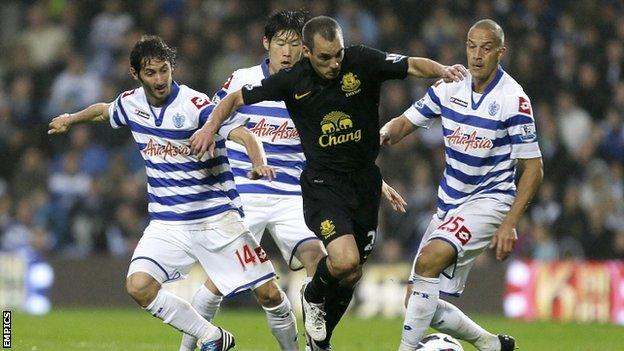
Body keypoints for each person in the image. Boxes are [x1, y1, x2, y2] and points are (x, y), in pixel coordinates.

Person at [189, 16, 466, 350]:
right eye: (324, 57)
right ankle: (309, 299)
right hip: (295, 188)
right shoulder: (280, 81)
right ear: (305, 52)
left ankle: (318, 340)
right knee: (325, 263)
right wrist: (213, 131)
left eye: (338, 54)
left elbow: (409, 65)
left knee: (348, 272)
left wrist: (443, 70)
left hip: (344, 185)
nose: (335, 63)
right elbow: (228, 104)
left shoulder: (361, 61)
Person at [48, 35, 295, 351]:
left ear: (171, 68)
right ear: (136, 74)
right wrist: (70, 119)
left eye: (164, 70)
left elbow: (245, 134)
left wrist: (258, 162)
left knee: (270, 294)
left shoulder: (195, 106)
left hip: (217, 220)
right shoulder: (131, 103)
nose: (160, 79)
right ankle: (213, 337)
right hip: (168, 223)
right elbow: (104, 111)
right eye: (151, 73)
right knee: (138, 286)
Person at [380, 19, 543, 351]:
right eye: (471, 46)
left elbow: (533, 168)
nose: (477, 55)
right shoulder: (448, 86)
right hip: (450, 203)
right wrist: (379, 135)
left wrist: (510, 223)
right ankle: (491, 345)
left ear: (501, 52)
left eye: (485, 48)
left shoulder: (514, 99)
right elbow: (401, 126)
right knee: (416, 301)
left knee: (428, 260)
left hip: (490, 199)